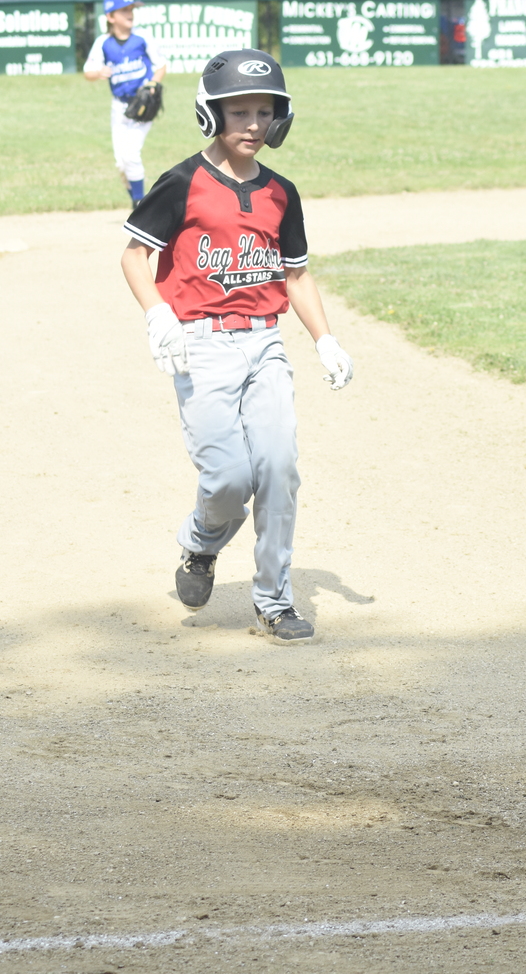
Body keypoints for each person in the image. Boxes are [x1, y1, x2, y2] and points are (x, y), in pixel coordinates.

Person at [118, 50, 354, 644]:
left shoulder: (282, 193)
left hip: (265, 344)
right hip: (200, 347)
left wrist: (325, 340)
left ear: (281, 118)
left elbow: (295, 275)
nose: (252, 123)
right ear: (210, 115)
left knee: (277, 468)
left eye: (264, 111)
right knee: (227, 478)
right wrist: (158, 318)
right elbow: (134, 256)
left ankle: (274, 601)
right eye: (238, 111)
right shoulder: (182, 182)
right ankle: (200, 543)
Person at [84, 0, 167, 208]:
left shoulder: (142, 37)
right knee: (121, 163)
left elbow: (161, 65)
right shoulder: (103, 42)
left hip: (142, 105)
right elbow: (87, 72)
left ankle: (141, 205)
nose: (130, 13)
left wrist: (153, 83)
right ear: (110, 17)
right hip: (119, 108)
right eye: (124, 10)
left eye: (131, 9)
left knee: (131, 155)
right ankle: (135, 200)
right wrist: (98, 72)